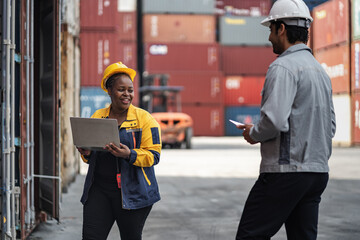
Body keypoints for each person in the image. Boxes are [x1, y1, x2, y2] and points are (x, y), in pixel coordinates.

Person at [235, 0, 336, 239]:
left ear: (281, 29)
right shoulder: (320, 71)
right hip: (317, 174)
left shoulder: (282, 67)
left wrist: (253, 132)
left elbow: (274, 121)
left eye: (271, 29)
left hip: (286, 172)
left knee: (249, 236)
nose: (269, 37)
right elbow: (330, 126)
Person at [77, 61, 162, 240]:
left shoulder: (145, 119)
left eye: (130, 90)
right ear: (109, 90)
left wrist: (129, 154)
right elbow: (92, 155)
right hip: (99, 191)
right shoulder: (98, 116)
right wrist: (87, 154)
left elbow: (154, 156)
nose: (127, 94)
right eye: (121, 89)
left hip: (134, 193)